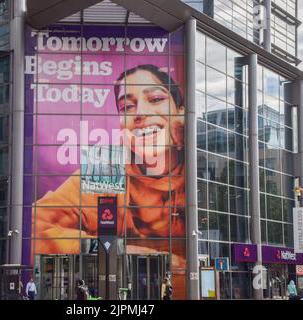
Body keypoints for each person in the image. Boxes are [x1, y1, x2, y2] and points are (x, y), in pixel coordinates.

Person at [32, 64, 187, 298]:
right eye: (127, 106)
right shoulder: (106, 166)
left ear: (182, 113)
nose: (140, 113)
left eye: (155, 98)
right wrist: (123, 250)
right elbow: (37, 226)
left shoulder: (199, 169)